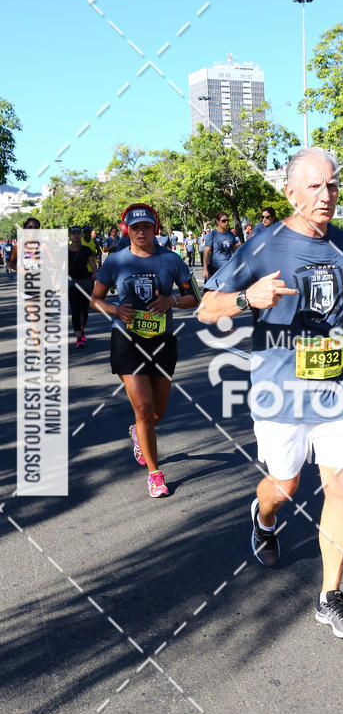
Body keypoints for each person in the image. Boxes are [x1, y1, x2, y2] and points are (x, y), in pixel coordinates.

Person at [198, 147, 343, 639]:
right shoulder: (261, 246)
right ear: (291, 192)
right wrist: (243, 299)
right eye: (314, 186)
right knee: (285, 486)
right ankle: (264, 515)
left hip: (338, 390)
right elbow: (206, 309)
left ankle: (330, 597)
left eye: (332, 185)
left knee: (342, 489)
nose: (326, 195)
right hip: (280, 394)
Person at [91, 204, 200, 497]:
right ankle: (155, 474)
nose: (141, 232)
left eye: (147, 227)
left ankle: (139, 434)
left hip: (162, 341)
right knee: (143, 407)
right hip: (126, 340)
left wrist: (172, 301)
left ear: (155, 229)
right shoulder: (115, 261)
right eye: (135, 227)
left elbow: (194, 298)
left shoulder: (171, 260)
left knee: (157, 414)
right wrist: (115, 309)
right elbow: (95, 300)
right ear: (127, 230)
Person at [68, 225, 97, 347]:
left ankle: (81, 328)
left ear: (80, 235)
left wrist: (95, 273)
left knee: (84, 310)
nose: (76, 235)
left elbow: (93, 264)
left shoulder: (86, 250)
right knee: (75, 309)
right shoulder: (64, 250)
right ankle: (79, 337)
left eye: (78, 233)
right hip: (71, 283)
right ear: (70, 236)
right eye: (73, 233)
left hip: (85, 282)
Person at [203, 213, 238, 281]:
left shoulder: (230, 235)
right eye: (223, 221)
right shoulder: (212, 235)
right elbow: (206, 253)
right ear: (217, 221)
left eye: (227, 220)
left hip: (228, 268)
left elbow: (235, 251)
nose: (226, 222)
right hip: (215, 269)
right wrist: (205, 269)